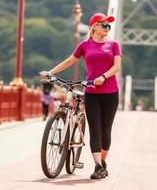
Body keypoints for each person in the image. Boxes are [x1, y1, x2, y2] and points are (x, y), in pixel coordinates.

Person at [40, 13, 122, 179]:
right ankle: (98, 166)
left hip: (110, 93)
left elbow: (117, 67)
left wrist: (103, 77)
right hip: (91, 93)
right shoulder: (84, 45)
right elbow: (69, 61)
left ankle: (103, 162)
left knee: (106, 132)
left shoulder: (113, 45)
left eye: (109, 26)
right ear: (95, 27)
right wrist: (50, 72)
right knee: (95, 130)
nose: (107, 28)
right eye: (104, 25)